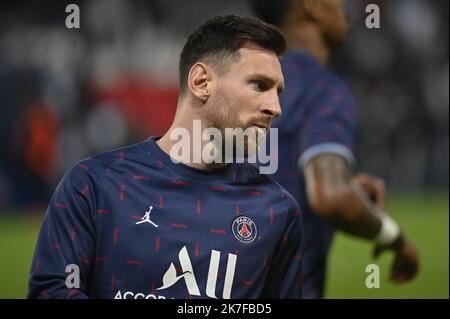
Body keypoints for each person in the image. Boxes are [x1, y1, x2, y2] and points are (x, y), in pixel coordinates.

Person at [28, 15, 303, 299]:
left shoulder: (276, 211)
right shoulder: (93, 185)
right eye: (259, 85)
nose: (275, 107)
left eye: (278, 92)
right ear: (201, 81)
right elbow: (52, 291)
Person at [250, 0, 419, 298]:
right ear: (313, 7)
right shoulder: (321, 88)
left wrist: (345, 184)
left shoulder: (231, 84)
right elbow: (331, 197)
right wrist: (394, 238)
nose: (347, 9)